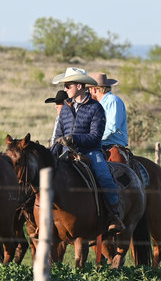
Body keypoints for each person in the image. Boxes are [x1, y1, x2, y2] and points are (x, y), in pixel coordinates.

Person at [51, 67, 125, 234]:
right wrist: (52, 153)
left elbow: (95, 137)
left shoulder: (95, 108)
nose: (65, 89)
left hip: (90, 152)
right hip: (65, 154)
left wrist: (74, 139)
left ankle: (114, 215)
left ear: (79, 86)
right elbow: (58, 135)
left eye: (68, 85)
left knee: (104, 176)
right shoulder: (65, 110)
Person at [88, 72, 128, 149]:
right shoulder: (99, 104)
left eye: (89, 89)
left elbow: (112, 127)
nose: (89, 92)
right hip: (100, 143)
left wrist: (93, 138)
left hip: (112, 143)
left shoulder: (112, 100)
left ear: (94, 89)